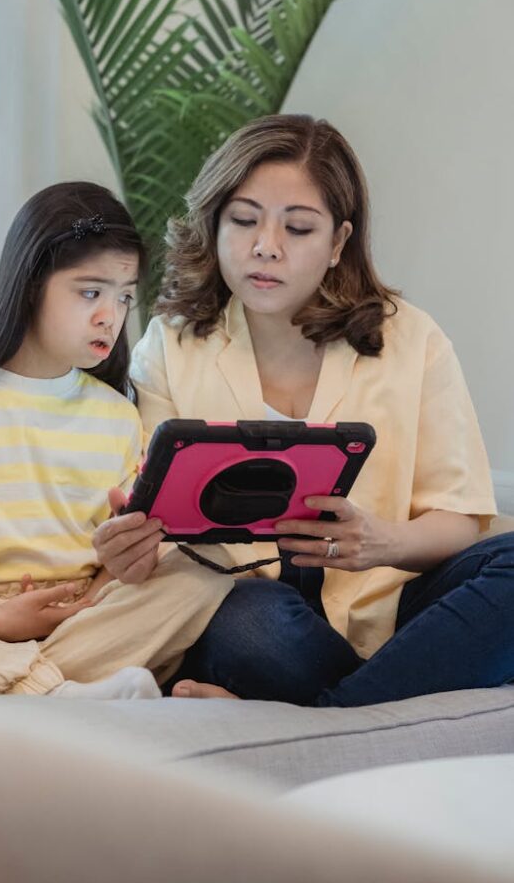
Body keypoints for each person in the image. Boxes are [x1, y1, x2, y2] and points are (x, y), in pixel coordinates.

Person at [95, 114, 514, 706]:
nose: (265, 246)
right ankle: (400, 698)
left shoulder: (413, 340)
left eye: (298, 228)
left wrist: (383, 543)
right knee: (253, 626)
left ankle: (331, 715)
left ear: (338, 242)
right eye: (243, 221)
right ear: (214, 225)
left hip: (390, 608)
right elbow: (147, 511)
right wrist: (128, 552)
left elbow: (461, 516)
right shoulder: (170, 344)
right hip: (250, 611)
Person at [0, 182, 231, 698]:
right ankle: (58, 692)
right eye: (90, 292)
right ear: (31, 285)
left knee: (205, 569)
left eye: (122, 297)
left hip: (83, 621)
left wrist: (93, 599)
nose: (110, 317)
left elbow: (122, 557)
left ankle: (29, 689)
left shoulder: (119, 417)